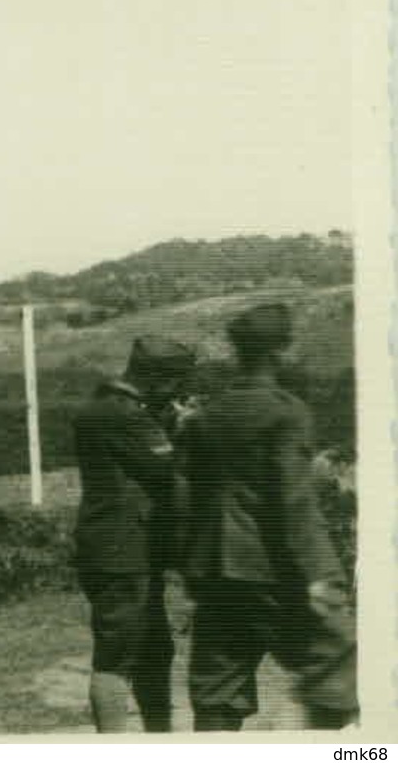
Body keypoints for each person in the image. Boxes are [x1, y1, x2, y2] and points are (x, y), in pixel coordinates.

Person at [181, 302, 357, 731]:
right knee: (339, 669)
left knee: (216, 693)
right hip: (275, 573)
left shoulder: (207, 415)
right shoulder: (285, 411)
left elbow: (185, 494)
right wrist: (322, 573)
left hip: (216, 575)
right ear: (281, 350)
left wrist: (190, 566)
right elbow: (294, 501)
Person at [71, 336, 195, 733]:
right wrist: (188, 427)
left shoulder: (112, 407)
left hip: (129, 548)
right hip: (121, 552)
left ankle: (158, 739)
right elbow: (168, 468)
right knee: (117, 656)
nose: (180, 391)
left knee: (154, 650)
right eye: (176, 382)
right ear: (159, 380)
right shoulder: (122, 415)